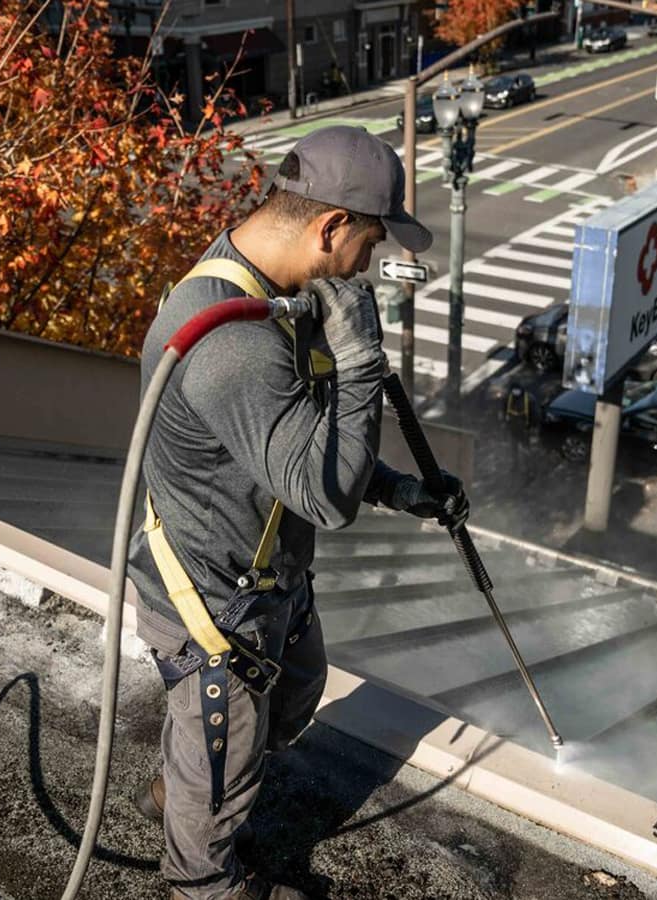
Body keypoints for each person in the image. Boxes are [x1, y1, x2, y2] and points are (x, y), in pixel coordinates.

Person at [127, 125, 469, 900]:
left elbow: (299, 448)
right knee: (224, 765)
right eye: (371, 247)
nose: (369, 268)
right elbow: (321, 494)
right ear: (331, 227)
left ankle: (184, 790)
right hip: (213, 603)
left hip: (268, 572)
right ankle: (202, 880)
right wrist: (358, 362)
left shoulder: (276, 291)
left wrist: (397, 487)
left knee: (294, 697)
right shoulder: (231, 339)